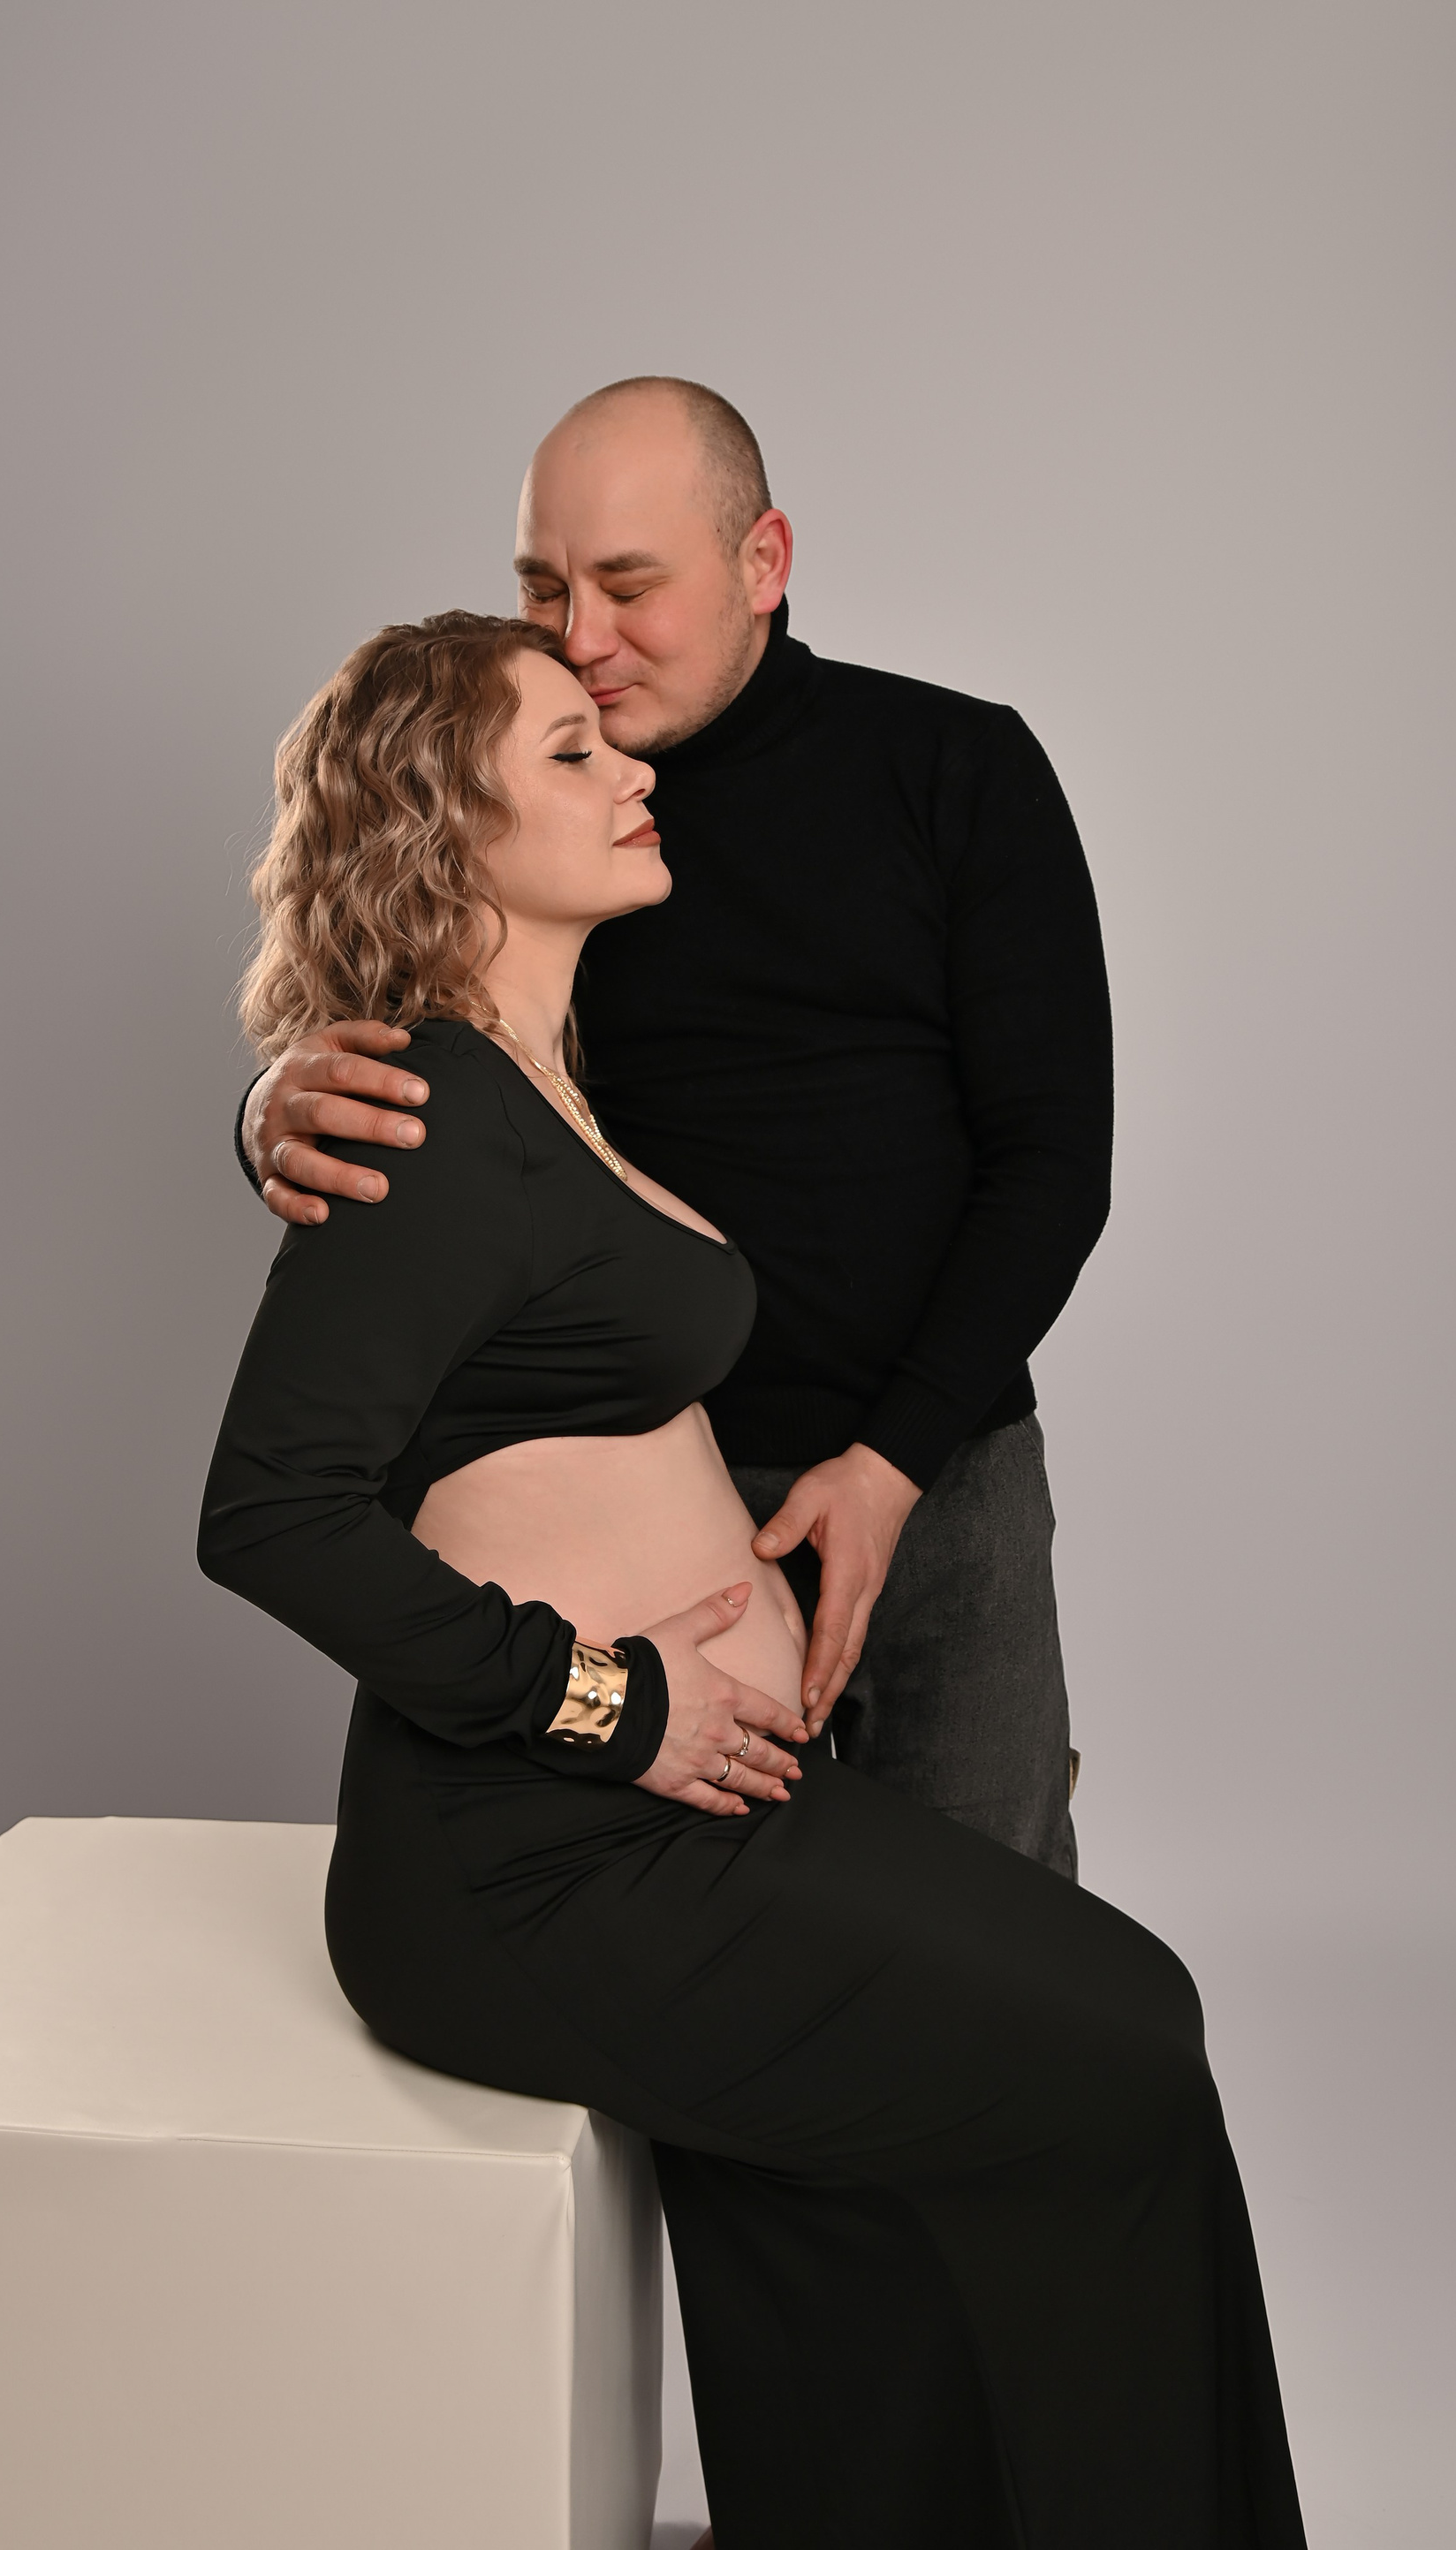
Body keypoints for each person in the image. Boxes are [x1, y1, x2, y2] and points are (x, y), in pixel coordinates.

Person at [200, 611, 1306, 2550]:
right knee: (1127, 2044)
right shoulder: (431, 1109)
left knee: (856, 2181)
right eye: (568, 752)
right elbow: (269, 1512)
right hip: (541, 1852)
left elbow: (1038, 1153)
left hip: (697, 1792)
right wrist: (612, 1699)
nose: (630, 766)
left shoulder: (543, 1075)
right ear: (443, 823)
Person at [234, 376, 1112, 1882]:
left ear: (763, 562)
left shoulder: (955, 768)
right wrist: (270, 1106)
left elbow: (1052, 1162)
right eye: (543, 586)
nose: (580, 634)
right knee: (698, 1951)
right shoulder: (520, 806)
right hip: (624, 1507)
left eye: (630, 586)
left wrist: (891, 1463)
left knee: (1001, 1906)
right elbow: (418, 1047)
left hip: (935, 1471)